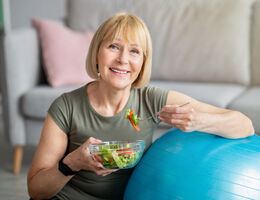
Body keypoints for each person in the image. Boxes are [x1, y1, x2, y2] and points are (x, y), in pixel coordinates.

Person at [27, 12, 254, 200]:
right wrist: (72, 163)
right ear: (97, 52)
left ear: (143, 62)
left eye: (134, 51)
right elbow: (36, 190)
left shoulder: (150, 99)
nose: (123, 59)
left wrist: (198, 121)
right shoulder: (66, 106)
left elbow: (244, 125)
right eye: (114, 47)